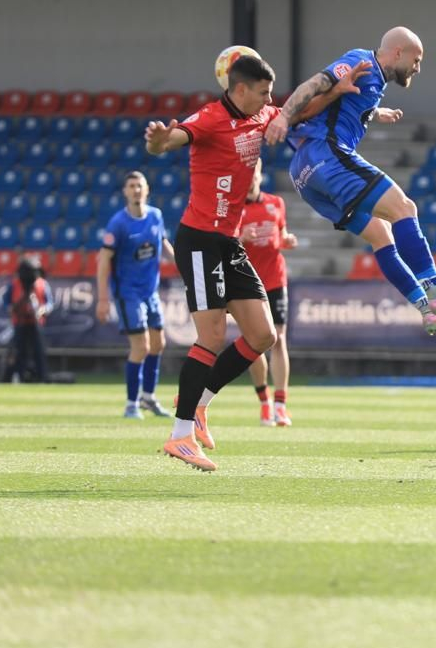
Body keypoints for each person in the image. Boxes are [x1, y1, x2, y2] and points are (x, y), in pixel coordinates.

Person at [143, 51, 356, 471]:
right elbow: (171, 141)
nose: (269, 99)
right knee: (211, 335)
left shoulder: (260, 116)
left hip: (228, 241)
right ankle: (180, 435)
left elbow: (302, 109)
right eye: (263, 92)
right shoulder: (208, 118)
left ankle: (199, 404)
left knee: (263, 336)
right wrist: (157, 141)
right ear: (239, 89)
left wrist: (340, 94)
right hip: (200, 239)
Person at [264, 26, 436, 335]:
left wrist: (373, 112)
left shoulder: (372, 82)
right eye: (416, 59)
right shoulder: (361, 61)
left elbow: (343, 102)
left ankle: (428, 310)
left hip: (304, 176)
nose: (418, 68)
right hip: (324, 155)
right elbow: (315, 83)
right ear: (397, 52)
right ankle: (435, 288)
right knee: (404, 208)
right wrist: (283, 117)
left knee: (382, 236)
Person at [96, 170, 177, 420]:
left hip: (149, 291)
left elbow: (163, 244)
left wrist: (183, 265)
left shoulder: (156, 216)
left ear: (147, 189)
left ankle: (149, 398)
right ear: (125, 191)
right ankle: (131, 403)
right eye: (131, 186)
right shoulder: (118, 223)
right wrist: (102, 298)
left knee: (159, 343)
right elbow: (103, 261)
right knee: (140, 346)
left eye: (139, 185)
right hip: (127, 293)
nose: (136, 190)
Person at [241, 159, 297, 427]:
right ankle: (263, 401)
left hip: (275, 279)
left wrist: (287, 239)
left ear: (260, 174)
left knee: (279, 339)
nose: (251, 177)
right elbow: (223, 244)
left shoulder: (276, 203)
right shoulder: (233, 208)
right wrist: (241, 239)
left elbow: (282, 232)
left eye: (255, 172)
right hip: (247, 283)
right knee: (254, 343)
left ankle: (280, 404)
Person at [6, 254, 52, 383]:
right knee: (18, 351)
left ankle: (42, 378)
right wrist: (15, 306)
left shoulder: (43, 284)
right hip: (19, 323)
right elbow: (7, 303)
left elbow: (50, 304)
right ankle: (17, 376)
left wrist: (42, 310)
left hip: (36, 323)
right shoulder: (14, 285)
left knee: (39, 351)